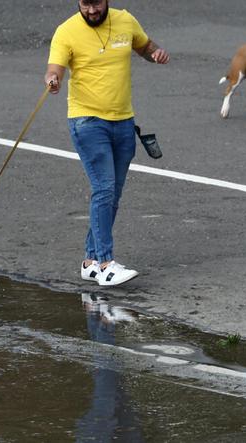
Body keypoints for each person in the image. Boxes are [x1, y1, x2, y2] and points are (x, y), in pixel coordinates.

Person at [44, 0, 169, 286]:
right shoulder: (66, 31)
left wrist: (156, 54)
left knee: (113, 193)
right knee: (104, 189)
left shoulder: (125, 21)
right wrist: (53, 80)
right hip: (87, 122)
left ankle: (89, 261)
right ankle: (105, 264)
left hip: (124, 122)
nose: (91, 10)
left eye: (96, 3)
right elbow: (55, 69)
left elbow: (145, 47)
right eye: (85, 4)